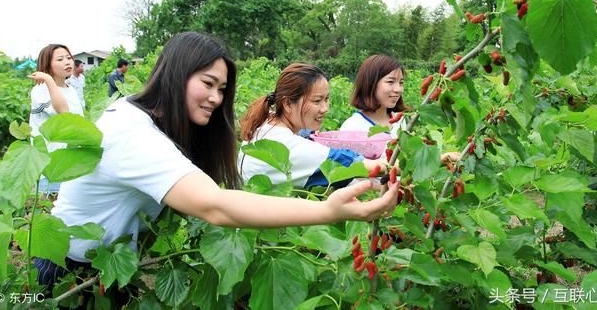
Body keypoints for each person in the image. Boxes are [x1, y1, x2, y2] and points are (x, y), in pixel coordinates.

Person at [38, 33, 397, 291]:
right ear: (176, 75)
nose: (215, 97)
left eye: (222, 89)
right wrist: (328, 212)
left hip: (106, 265)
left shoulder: (148, 115)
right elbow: (214, 205)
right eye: (208, 83)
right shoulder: (133, 133)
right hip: (69, 271)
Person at [239, 63, 392, 187]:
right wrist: (400, 167)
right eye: (316, 101)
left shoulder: (267, 124)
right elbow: (358, 165)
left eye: (326, 99)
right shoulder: (290, 146)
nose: (325, 108)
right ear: (287, 103)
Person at [29, 44, 84, 193]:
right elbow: (64, 113)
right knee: (50, 208)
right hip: (50, 165)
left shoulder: (70, 89)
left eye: (69, 58)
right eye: (60, 59)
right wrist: (48, 79)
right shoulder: (40, 90)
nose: (67, 62)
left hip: (70, 161)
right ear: (47, 65)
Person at [340, 55, 406, 137]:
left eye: (401, 83)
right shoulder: (353, 127)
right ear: (371, 84)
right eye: (390, 82)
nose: (398, 89)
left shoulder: (399, 120)